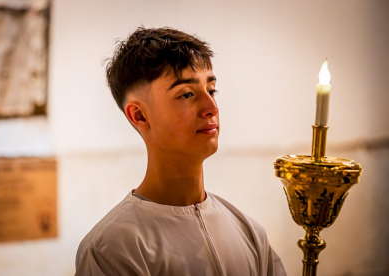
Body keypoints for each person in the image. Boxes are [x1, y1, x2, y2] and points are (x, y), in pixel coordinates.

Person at [75, 26, 286, 276]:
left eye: (211, 90)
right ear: (140, 115)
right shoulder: (113, 249)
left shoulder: (248, 231)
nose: (211, 107)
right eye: (186, 94)